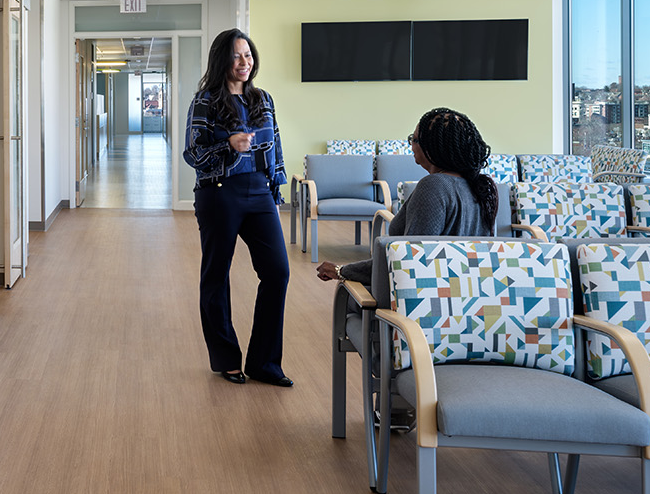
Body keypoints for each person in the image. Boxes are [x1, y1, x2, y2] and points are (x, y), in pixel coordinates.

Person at [182, 29, 291, 387]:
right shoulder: (206, 101)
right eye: (236, 56)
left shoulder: (264, 99)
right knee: (216, 275)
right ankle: (227, 358)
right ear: (222, 61)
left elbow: (275, 146)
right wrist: (229, 144)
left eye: (248, 55)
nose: (244, 63)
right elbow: (193, 154)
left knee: (277, 272)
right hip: (219, 193)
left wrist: (276, 187)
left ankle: (264, 363)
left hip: (260, 192)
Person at [316, 107, 497, 286]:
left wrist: (341, 271)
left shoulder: (434, 187)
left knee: (347, 295)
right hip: (466, 297)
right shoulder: (480, 188)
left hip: (420, 302)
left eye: (415, 139)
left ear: (434, 148)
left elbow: (409, 260)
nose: (411, 145)